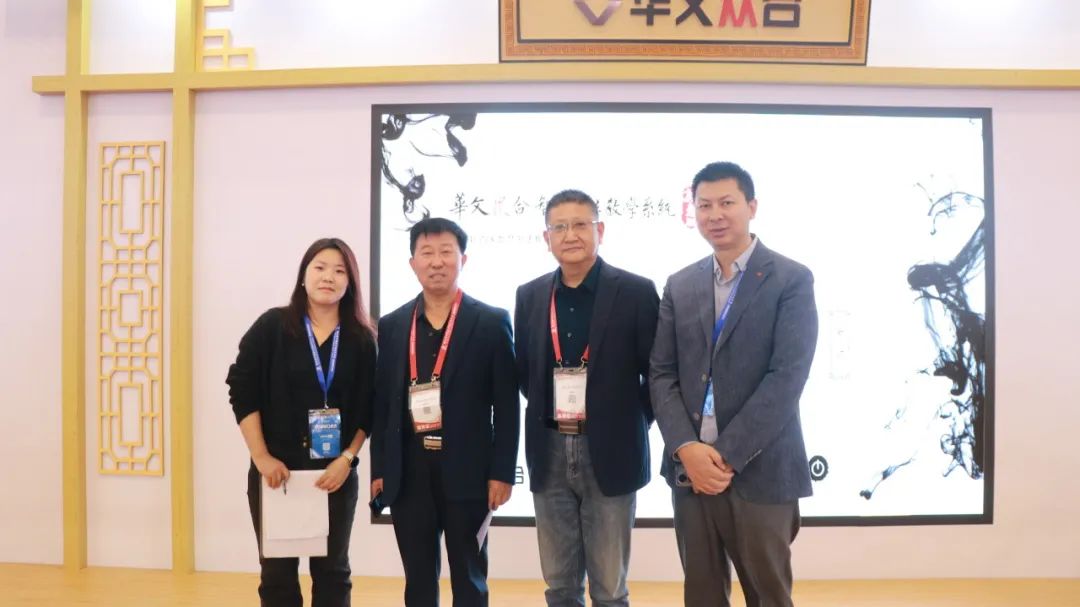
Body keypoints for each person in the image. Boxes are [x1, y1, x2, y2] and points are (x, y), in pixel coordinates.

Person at [650, 162, 818, 607]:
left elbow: (787, 378)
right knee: (702, 595)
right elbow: (661, 373)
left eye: (727, 203)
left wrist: (723, 456)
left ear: (752, 206)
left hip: (760, 470)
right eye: (704, 205)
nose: (715, 214)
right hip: (691, 471)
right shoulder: (680, 284)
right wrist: (687, 449)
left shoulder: (790, 279)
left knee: (768, 595)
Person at [514, 189, 658, 606]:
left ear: (600, 230)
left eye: (580, 224)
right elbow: (526, 372)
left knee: (610, 588)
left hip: (611, 449)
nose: (570, 235)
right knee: (559, 585)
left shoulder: (636, 291)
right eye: (559, 227)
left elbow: (657, 374)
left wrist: (626, 421)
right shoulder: (530, 295)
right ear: (547, 237)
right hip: (549, 449)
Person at [370, 217, 520, 607]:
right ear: (413, 263)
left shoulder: (491, 322)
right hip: (409, 473)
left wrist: (502, 472)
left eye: (446, 252)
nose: (436, 262)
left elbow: (507, 406)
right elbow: (383, 405)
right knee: (418, 579)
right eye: (426, 253)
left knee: (470, 577)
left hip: (470, 473)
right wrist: (380, 469)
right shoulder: (393, 325)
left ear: (462, 259)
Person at [226, 237, 377, 607]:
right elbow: (241, 389)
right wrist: (261, 457)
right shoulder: (272, 327)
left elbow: (369, 407)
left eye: (339, 271)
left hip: (334, 474)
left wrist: (347, 459)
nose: (328, 277)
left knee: (333, 573)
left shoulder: (361, 338)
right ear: (303, 275)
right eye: (320, 267)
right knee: (276, 574)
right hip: (278, 473)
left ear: (350, 282)